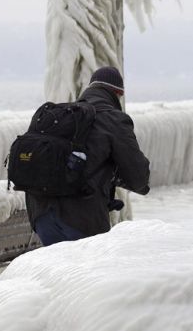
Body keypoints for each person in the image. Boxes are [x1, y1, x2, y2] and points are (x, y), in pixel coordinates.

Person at [26, 66, 151, 246]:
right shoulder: (113, 119)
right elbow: (138, 176)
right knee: (87, 272)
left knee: (62, 272)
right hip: (81, 218)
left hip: (42, 215)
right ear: (117, 94)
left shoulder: (61, 116)